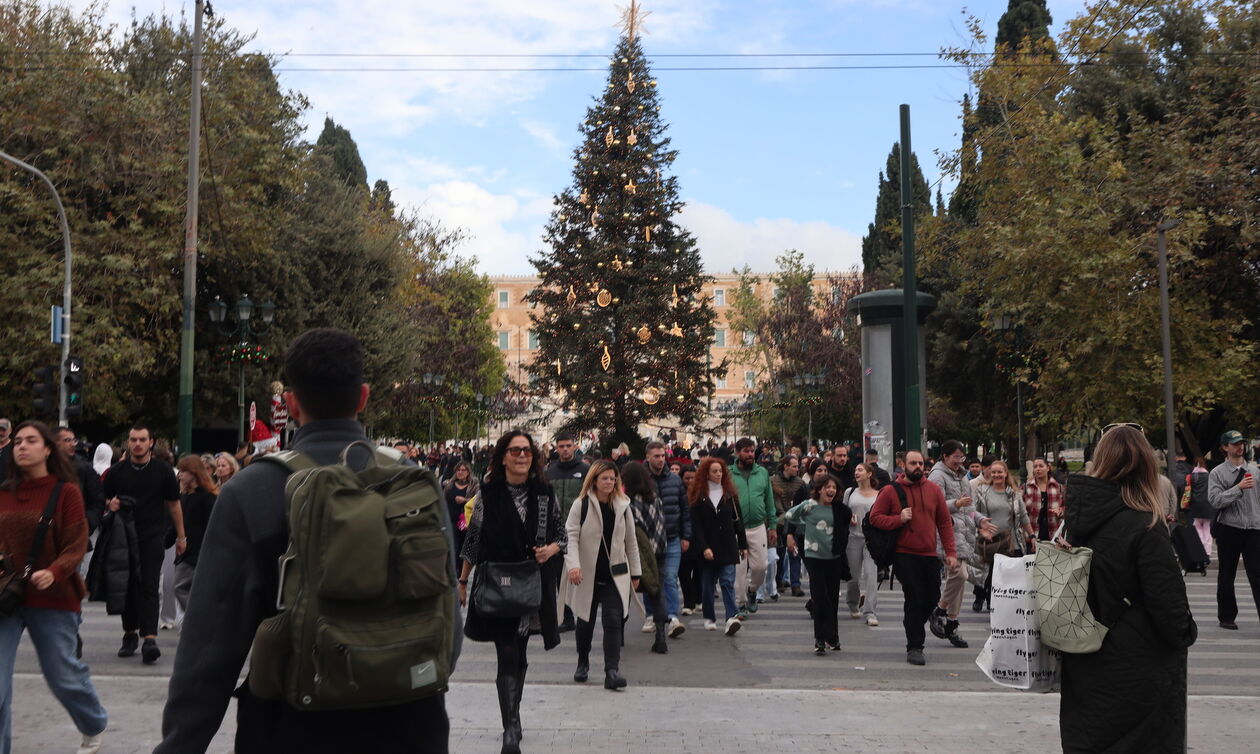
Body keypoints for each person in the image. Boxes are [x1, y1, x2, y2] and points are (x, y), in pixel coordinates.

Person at [157, 328, 463, 753]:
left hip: (293, 724)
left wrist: (181, 743)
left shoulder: (252, 489)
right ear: (363, 397)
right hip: (412, 722)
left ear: (292, 404)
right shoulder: (413, 480)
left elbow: (211, 645)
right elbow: (449, 620)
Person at [1059, 425, 1197, 752]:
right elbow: (1170, 609)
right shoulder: (1146, 527)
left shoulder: (1076, 523)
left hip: (1085, 661)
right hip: (1140, 674)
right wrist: (1186, 633)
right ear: (1146, 466)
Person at [0, 420, 107, 754]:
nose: (21, 446)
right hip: (6, 595)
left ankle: (93, 724)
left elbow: (76, 543)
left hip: (54, 595)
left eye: (31, 440)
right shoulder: (4, 492)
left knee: (61, 673)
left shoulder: (65, 492)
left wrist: (56, 571)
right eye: (17, 441)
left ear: (47, 449)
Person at [460, 429, 563, 754]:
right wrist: (462, 581)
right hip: (498, 584)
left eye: (527, 451)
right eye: (516, 450)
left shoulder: (545, 493)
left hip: (531, 584)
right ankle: (510, 728)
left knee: (519, 653)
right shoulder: (488, 495)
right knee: (506, 651)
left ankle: (514, 716)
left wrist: (552, 549)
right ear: (503, 455)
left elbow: (562, 533)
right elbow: (473, 539)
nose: (522, 456)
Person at [101, 425, 185, 664]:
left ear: (151, 442)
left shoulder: (163, 471)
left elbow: (174, 505)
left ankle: (149, 638)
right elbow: (104, 500)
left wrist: (181, 537)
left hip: (152, 536)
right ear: (128, 442)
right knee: (128, 587)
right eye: (133, 439)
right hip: (123, 536)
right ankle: (130, 634)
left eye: (142, 439)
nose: (137, 443)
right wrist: (110, 504)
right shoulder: (116, 472)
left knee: (148, 585)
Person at [869, 450, 958, 666]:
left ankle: (914, 622)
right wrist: (898, 519)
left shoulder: (934, 490)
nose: (918, 466)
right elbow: (875, 518)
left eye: (921, 463)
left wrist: (951, 553)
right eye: (913, 463)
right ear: (903, 465)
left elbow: (944, 523)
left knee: (931, 597)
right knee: (914, 598)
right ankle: (915, 646)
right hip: (904, 554)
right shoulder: (890, 490)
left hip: (929, 554)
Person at [565, 460, 641, 689]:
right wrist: (573, 566)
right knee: (585, 623)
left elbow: (631, 541)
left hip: (614, 575)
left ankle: (611, 671)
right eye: (605, 478)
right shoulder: (582, 504)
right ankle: (583, 660)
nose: (609, 482)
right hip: (586, 574)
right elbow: (571, 537)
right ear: (594, 480)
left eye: (612, 478)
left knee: (613, 620)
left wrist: (636, 572)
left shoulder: (622, 505)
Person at [785, 474, 851, 654]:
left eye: (834, 488)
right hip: (814, 556)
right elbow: (790, 515)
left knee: (832, 598)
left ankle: (833, 636)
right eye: (827, 487)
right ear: (820, 489)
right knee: (820, 597)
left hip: (834, 556)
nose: (831, 490)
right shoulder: (809, 505)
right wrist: (805, 524)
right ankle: (820, 638)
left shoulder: (840, 509)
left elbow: (846, 523)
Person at [1206, 430, 1260, 631]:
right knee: (1227, 574)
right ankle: (1227, 616)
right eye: (1235, 443)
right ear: (1225, 447)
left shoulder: (1255, 471)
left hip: (1254, 528)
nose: (1240, 447)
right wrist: (1238, 488)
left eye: (1242, 443)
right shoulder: (1217, 473)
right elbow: (1215, 500)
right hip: (1229, 528)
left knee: (1257, 573)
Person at [688, 457, 747, 636]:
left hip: (727, 545)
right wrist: (704, 547)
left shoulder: (729, 494)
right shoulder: (699, 496)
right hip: (707, 547)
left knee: (728, 582)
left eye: (720, 471)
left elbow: (739, 521)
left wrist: (742, 544)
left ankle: (731, 617)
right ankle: (709, 617)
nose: (718, 474)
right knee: (707, 585)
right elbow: (696, 526)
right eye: (714, 471)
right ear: (706, 473)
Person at [972, 460, 1032, 612]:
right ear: (990, 474)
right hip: (991, 540)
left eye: (1000, 472)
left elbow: (1023, 516)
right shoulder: (982, 491)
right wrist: (981, 529)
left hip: (1012, 541)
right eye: (994, 472)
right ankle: (991, 604)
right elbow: (974, 513)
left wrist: (1031, 535)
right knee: (992, 575)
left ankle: (1008, 607)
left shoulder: (1014, 493)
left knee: (1012, 577)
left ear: (1006, 474)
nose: (997, 475)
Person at [642, 441, 689, 639]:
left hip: (671, 537)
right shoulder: (642, 481)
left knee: (670, 577)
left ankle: (672, 616)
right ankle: (651, 615)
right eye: (656, 456)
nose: (660, 459)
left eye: (662, 456)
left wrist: (686, 535)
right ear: (648, 458)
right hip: (648, 538)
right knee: (649, 579)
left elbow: (684, 509)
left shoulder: (675, 480)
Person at [622, 461, 669, 653]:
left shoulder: (625, 502)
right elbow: (661, 526)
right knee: (656, 593)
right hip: (656, 552)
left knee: (623, 594)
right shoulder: (655, 499)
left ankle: (618, 636)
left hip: (632, 555)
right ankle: (660, 636)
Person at [730, 438, 775, 619]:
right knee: (739, 570)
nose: (750, 455)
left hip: (758, 526)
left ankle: (752, 590)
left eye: (752, 451)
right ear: (737, 452)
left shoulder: (762, 473)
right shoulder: (729, 473)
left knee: (761, 566)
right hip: (736, 528)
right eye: (746, 451)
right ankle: (740, 604)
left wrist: (772, 525)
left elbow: (769, 500)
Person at [172, 455, 217, 619]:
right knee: (187, 588)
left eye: (184, 471)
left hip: (198, 551)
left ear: (194, 473)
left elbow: (212, 526)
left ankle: (197, 619)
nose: (180, 475)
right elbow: (176, 523)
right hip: (186, 552)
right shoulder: (184, 496)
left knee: (181, 586)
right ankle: (198, 620)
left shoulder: (206, 497)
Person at [843, 464, 882, 626]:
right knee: (853, 576)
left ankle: (870, 612)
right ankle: (853, 604)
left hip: (871, 540)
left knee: (871, 576)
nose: (856, 472)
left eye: (860, 470)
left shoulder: (879, 495)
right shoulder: (850, 492)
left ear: (869, 474)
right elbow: (842, 512)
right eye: (856, 470)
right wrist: (848, 518)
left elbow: (883, 515)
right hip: (853, 537)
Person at [54, 427, 105, 535]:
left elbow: (97, 501)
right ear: (54, 442)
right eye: (67, 440)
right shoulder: (42, 467)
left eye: (74, 440)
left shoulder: (84, 468)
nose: (73, 444)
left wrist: (86, 524)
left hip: (75, 533)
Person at [770, 455, 808, 598]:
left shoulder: (800, 483)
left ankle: (795, 584)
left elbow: (802, 503)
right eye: (794, 466)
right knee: (779, 553)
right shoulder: (773, 481)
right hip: (779, 519)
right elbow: (772, 501)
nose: (797, 469)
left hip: (794, 520)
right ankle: (779, 580)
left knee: (794, 552)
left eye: (798, 466)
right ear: (786, 466)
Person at [676, 465, 702, 615]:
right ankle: (688, 602)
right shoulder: (679, 494)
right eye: (687, 478)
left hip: (699, 539)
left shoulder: (702, 493)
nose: (690, 481)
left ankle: (698, 599)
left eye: (693, 478)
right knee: (684, 573)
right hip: (682, 537)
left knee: (699, 572)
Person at [442, 461, 478, 562]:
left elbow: (478, 500)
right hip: (451, 519)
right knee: (453, 545)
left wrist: (465, 500)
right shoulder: (449, 484)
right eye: (458, 470)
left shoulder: (474, 485)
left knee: (463, 546)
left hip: (466, 521)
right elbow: (443, 499)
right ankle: (454, 569)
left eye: (463, 470)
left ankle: (461, 571)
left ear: (468, 472)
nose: (460, 472)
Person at [1024, 457, 1064, 540]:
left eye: (1041, 466)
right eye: (1035, 467)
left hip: (1054, 535)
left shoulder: (1059, 487)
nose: (1038, 469)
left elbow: (1067, 507)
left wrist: (1061, 510)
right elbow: (1020, 512)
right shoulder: (1026, 488)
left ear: (1048, 468)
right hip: (1032, 535)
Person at [1184, 457, 1212, 554]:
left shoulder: (1190, 477)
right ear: (1203, 464)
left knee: (1198, 528)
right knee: (1207, 528)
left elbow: (1187, 492)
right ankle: (1207, 551)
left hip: (1195, 505)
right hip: (1207, 506)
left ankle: (1199, 550)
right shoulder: (1209, 476)